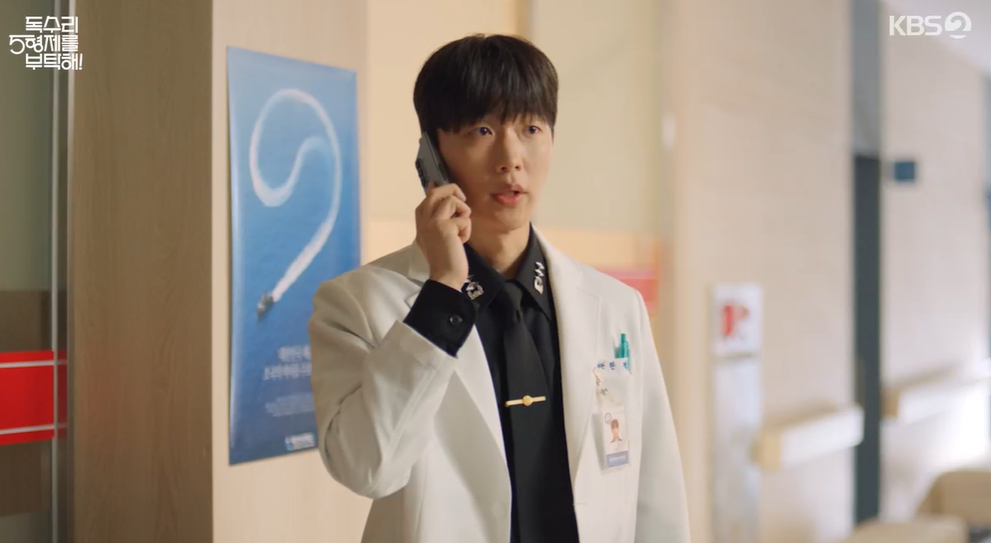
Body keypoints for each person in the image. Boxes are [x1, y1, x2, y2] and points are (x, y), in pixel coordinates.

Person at [308, 33, 689, 543]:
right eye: (482, 130)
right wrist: (442, 293)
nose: (511, 157)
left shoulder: (617, 306)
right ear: (431, 154)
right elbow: (368, 469)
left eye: (531, 128)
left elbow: (656, 496)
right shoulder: (358, 303)